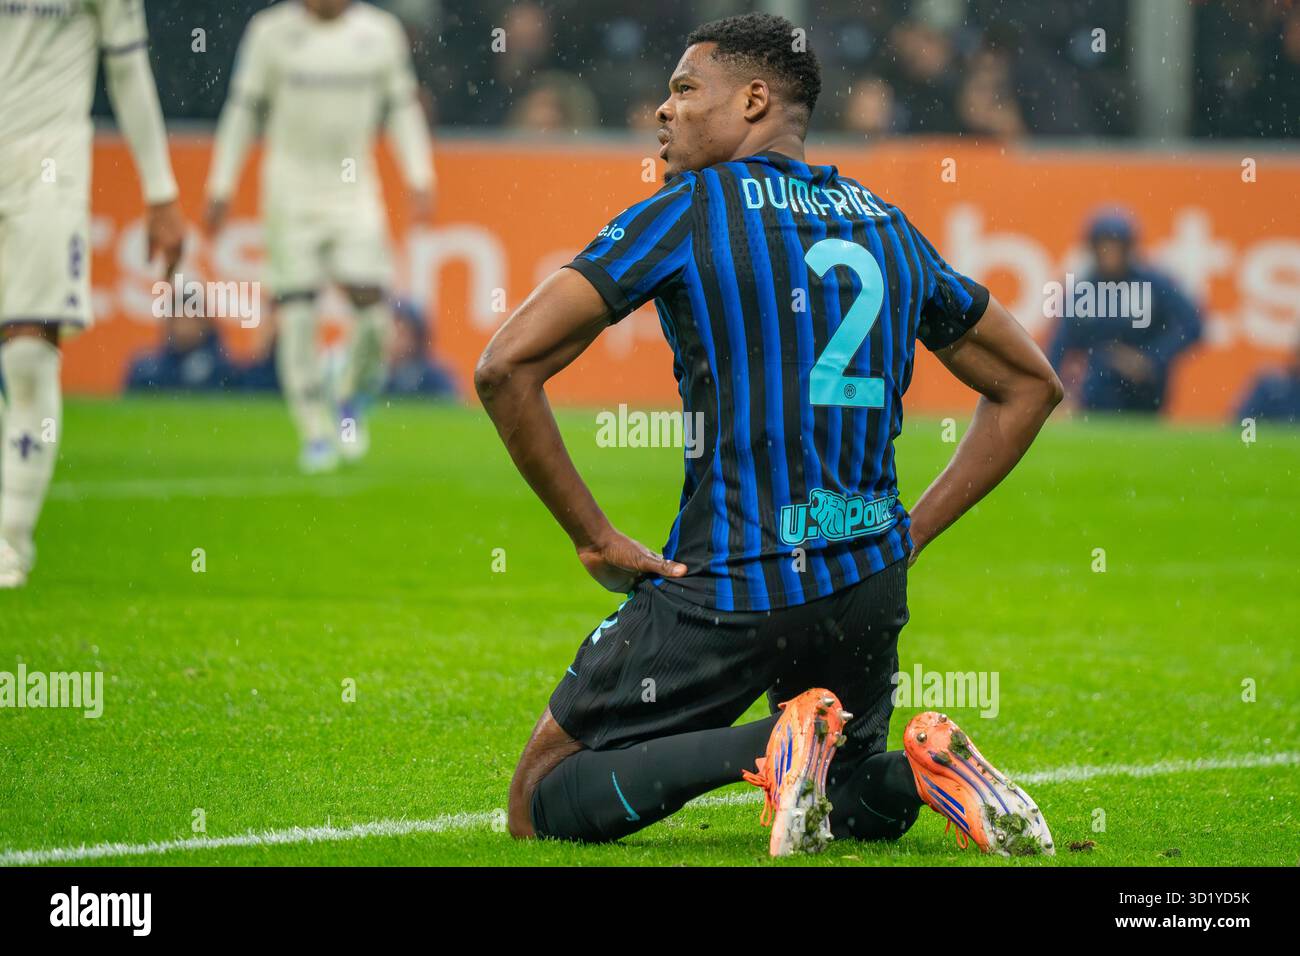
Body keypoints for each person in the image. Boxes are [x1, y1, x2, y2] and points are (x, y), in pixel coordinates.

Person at [476, 14, 1063, 857]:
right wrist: (908, 535)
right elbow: (1029, 386)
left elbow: (505, 368)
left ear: (754, 99)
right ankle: (923, 770)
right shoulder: (886, 222)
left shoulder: (686, 210)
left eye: (685, 90)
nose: (662, 112)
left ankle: (770, 744)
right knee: (853, 797)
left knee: (539, 801)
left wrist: (594, 536)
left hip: (731, 583)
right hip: (864, 582)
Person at [205, 0, 435, 473]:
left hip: (354, 192)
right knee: (297, 313)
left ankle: (349, 394)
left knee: (373, 312)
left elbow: (402, 108)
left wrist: (419, 173)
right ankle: (314, 431)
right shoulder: (270, 33)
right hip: (289, 191)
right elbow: (243, 109)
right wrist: (221, 183)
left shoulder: (379, 33)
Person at [0, 0, 184, 588]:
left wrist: (160, 192)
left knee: (28, 352)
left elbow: (127, 68)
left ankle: (9, 542)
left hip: (48, 168)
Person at [1049, 211, 1203, 414]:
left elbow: (1192, 325)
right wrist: (1054, 394)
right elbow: (1061, 345)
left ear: (1129, 248)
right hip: (1099, 388)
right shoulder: (1083, 292)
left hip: (1146, 386)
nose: (1109, 253)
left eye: (1116, 246)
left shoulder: (1154, 284)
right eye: (1103, 246)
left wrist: (1151, 357)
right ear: (1093, 249)